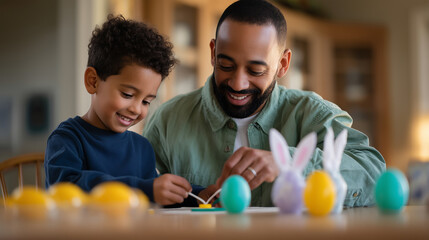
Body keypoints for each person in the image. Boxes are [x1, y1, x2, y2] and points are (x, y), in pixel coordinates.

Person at [143, 0, 386, 207]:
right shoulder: (167, 121)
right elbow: (138, 205)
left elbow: (373, 172)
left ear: (283, 64)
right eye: (226, 65)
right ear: (213, 52)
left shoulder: (313, 114)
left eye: (255, 70)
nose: (238, 84)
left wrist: (289, 163)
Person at [44, 15, 202, 206]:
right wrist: (145, 189)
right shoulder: (67, 139)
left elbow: (159, 195)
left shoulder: (142, 148)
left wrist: (200, 196)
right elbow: (65, 188)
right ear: (93, 81)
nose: (136, 109)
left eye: (146, 101)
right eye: (127, 94)